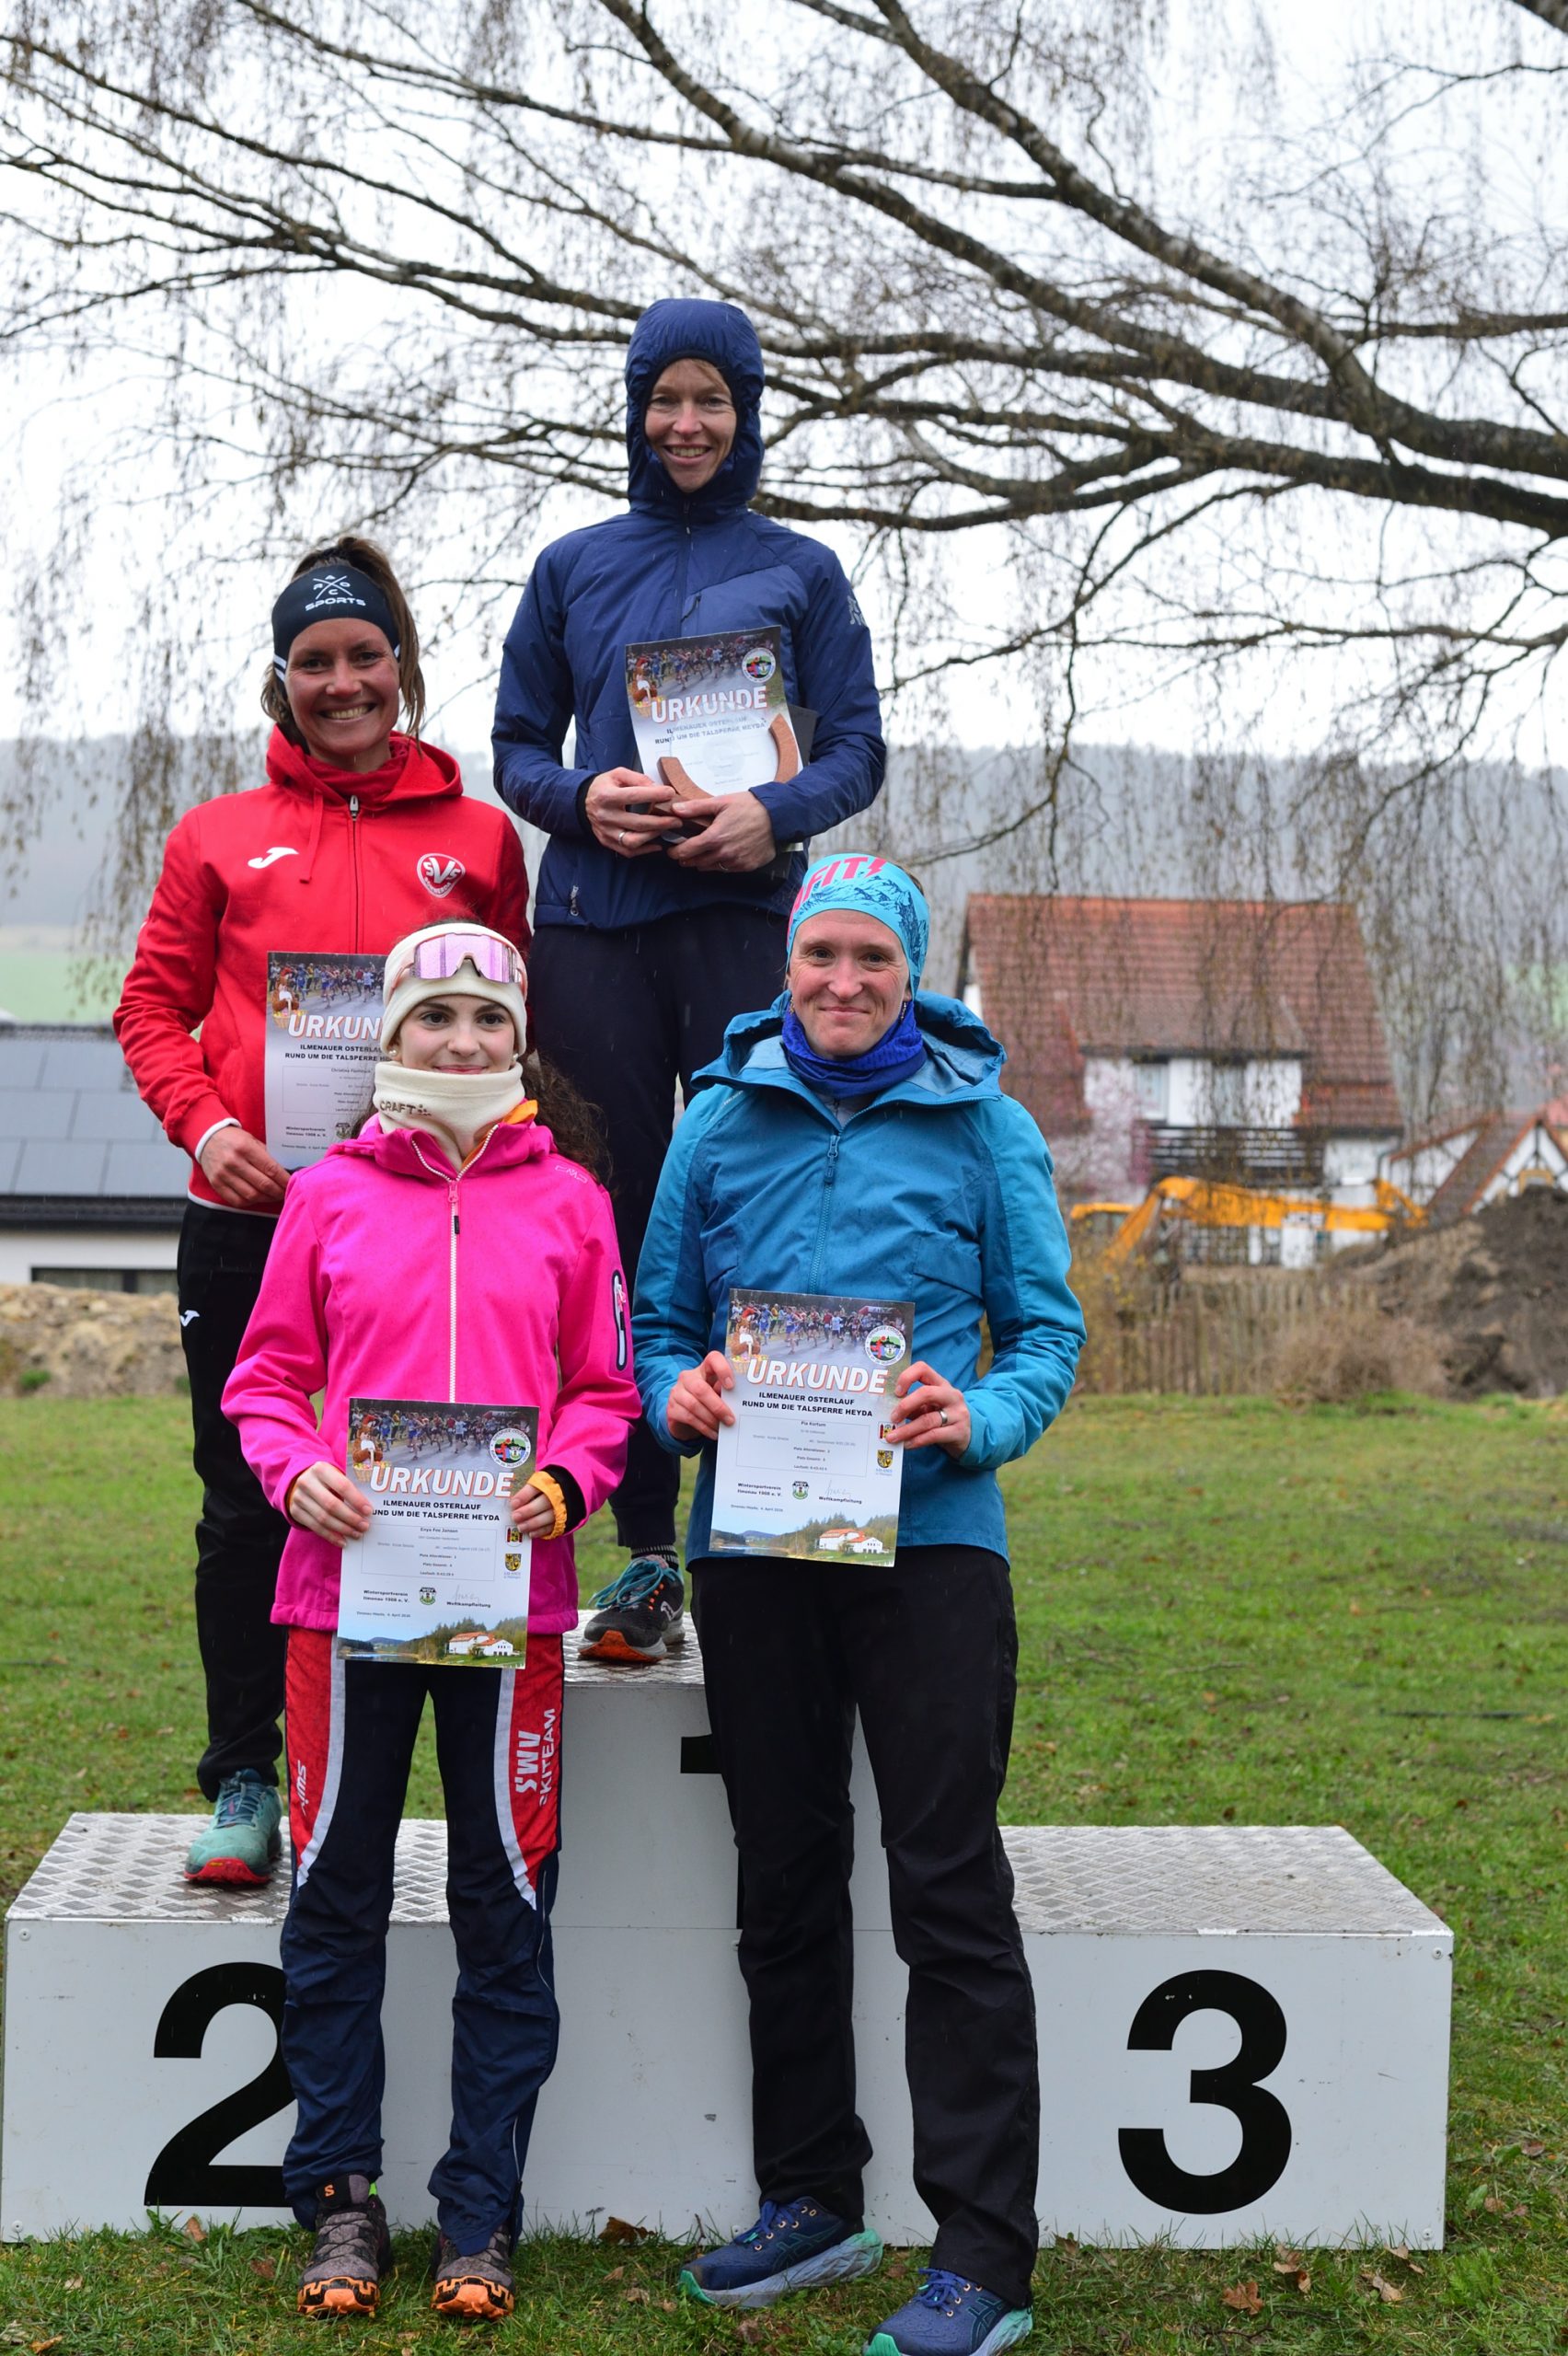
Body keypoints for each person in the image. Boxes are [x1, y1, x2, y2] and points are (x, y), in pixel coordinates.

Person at [632, 855, 1085, 2356]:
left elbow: (1046, 1333)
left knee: (948, 1886)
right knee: (784, 1877)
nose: (842, 982)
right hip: (755, 1549)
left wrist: (983, 1417)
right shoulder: (715, 1119)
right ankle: (813, 2196)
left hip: (935, 1551)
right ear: (786, 964)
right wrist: (676, 1396)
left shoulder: (987, 1124)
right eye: (820, 954)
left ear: (911, 972)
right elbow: (657, 1323)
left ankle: (983, 2255)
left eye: (871, 961)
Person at [223, 920, 640, 2321]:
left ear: (520, 1042)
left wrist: (569, 1481)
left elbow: (606, 1391)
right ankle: (341, 2203)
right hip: (342, 1602)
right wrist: (296, 1471)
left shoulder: (572, 1200)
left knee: (503, 1905)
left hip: (509, 1613)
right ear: (390, 1037)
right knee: (335, 1898)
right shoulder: (327, 1195)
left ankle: (480, 2216)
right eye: (434, 1018)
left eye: (487, 1019)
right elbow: (264, 1382)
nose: (461, 1042)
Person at [115, 539, 529, 1885]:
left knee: (436, 1477)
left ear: (400, 668)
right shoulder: (215, 835)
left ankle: (462, 1788)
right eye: (315, 662)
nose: (342, 683)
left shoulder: (478, 839)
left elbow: (519, 1022)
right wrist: (208, 1127)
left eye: (364, 657)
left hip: (427, 1223)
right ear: (280, 681)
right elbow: (150, 1008)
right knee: (248, 1501)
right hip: (250, 1218)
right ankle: (247, 1773)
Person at [493, 297, 884, 1665]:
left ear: (749, 411)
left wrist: (773, 815)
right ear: (634, 410)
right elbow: (515, 746)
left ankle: (778, 1510)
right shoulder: (572, 565)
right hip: (594, 929)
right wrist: (577, 797)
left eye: (712, 399)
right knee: (602, 1220)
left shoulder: (803, 571)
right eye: (664, 398)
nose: (687, 423)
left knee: (747, 1208)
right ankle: (643, 1545)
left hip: (738, 924)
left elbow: (858, 751)